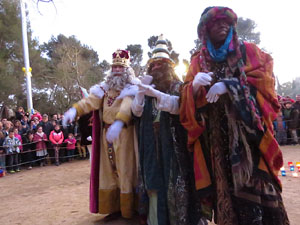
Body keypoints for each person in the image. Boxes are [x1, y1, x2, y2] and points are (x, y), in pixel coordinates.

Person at [179, 6, 289, 225]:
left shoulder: (249, 51)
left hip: (249, 140)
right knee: (225, 190)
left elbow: (266, 84)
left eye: (227, 22)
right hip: (216, 143)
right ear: (205, 30)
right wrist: (192, 89)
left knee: (254, 188)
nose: (223, 25)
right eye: (216, 22)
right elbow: (185, 102)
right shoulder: (197, 62)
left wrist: (229, 85)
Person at [132, 35, 202, 225]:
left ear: (169, 66)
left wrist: (155, 93)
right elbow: (136, 112)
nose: (156, 68)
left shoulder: (178, 86)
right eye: (153, 65)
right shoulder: (145, 90)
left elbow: (179, 106)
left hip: (173, 144)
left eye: (160, 64)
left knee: (175, 183)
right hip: (151, 146)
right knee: (153, 183)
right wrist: (141, 91)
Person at [63, 49, 139, 220]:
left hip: (125, 134)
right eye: (114, 67)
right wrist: (74, 110)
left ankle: (128, 210)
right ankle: (114, 208)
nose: (117, 70)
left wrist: (119, 122)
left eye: (120, 67)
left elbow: (127, 105)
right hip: (106, 134)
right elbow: (90, 101)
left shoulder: (132, 88)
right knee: (108, 171)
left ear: (126, 69)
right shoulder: (103, 90)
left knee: (125, 170)